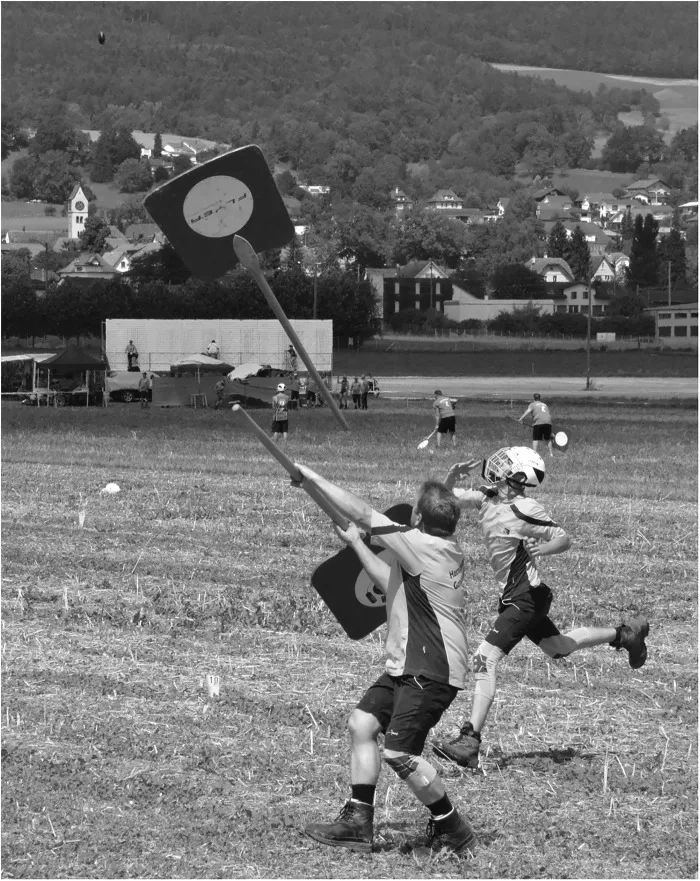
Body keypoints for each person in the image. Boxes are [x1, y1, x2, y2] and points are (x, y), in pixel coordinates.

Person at [294, 465, 477, 856]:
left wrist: (312, 478)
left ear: (416, 519)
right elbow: (387, 582)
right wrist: (357, 545)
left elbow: (362, 512)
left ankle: (453, 829)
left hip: (431, 670)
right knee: (361, 724)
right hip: (408, 666)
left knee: (399, 752)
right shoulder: (435, 552)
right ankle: (359, 822)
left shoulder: (421, 547)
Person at [432, 446, 650, 771]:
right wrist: (450, 478)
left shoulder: (525, 508)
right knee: (558, 647)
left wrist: (541, 550)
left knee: (483, 660)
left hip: (525, 599)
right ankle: (625, 634)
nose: (498, 464)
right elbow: (449, 498)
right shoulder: (488, 496)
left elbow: (564, 538)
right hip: (518, 598)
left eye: (507, 463)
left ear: (518, 476)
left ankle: (469, 741)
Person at [518, 393, 553, 457]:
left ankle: (534, 454)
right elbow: (546, 414)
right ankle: (551, 453)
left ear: (534, 399)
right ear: (540, 398)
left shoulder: (532, 404)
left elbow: (528, 411)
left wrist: (521, 418)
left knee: (536, 438)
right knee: (548, 439)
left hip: (538, 422)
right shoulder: (545, 405)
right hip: (548, 422)